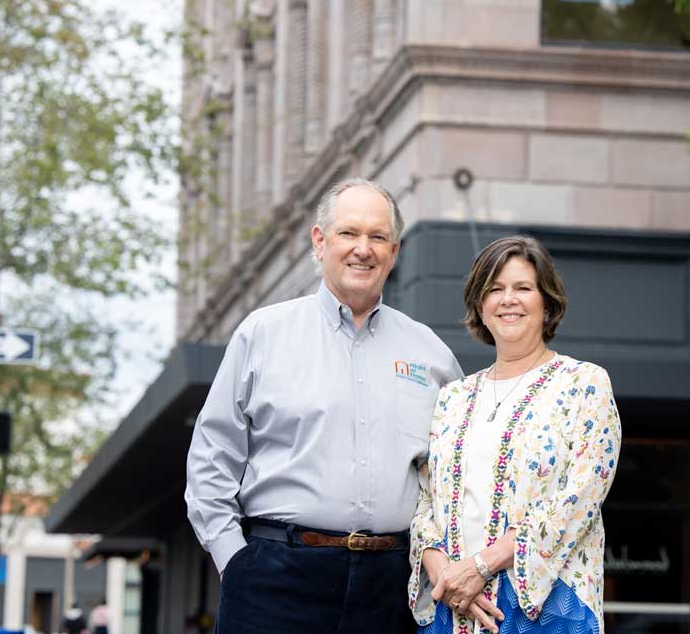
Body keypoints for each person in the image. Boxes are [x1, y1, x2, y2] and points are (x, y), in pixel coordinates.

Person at [185, 177, 463, 634]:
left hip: (393, 587)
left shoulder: (431, 355)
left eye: (378, 237)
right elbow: (211, 458)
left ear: (394, 252)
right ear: (320, 242)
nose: (363, 249)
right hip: (274, 581)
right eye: (349, 234)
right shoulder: (262, 335)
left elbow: (452, 477)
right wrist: (234, 561)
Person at [409, 236, 621, 634]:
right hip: (453, 607)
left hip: (545, 607)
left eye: (523, 288)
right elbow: (424, 499)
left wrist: (482, 565)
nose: (509, 300)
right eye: (495, 289)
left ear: (547, 304)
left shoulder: (583, 384)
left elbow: (579, 499)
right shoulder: (452, 397)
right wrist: (445, 571)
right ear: (480, 306)